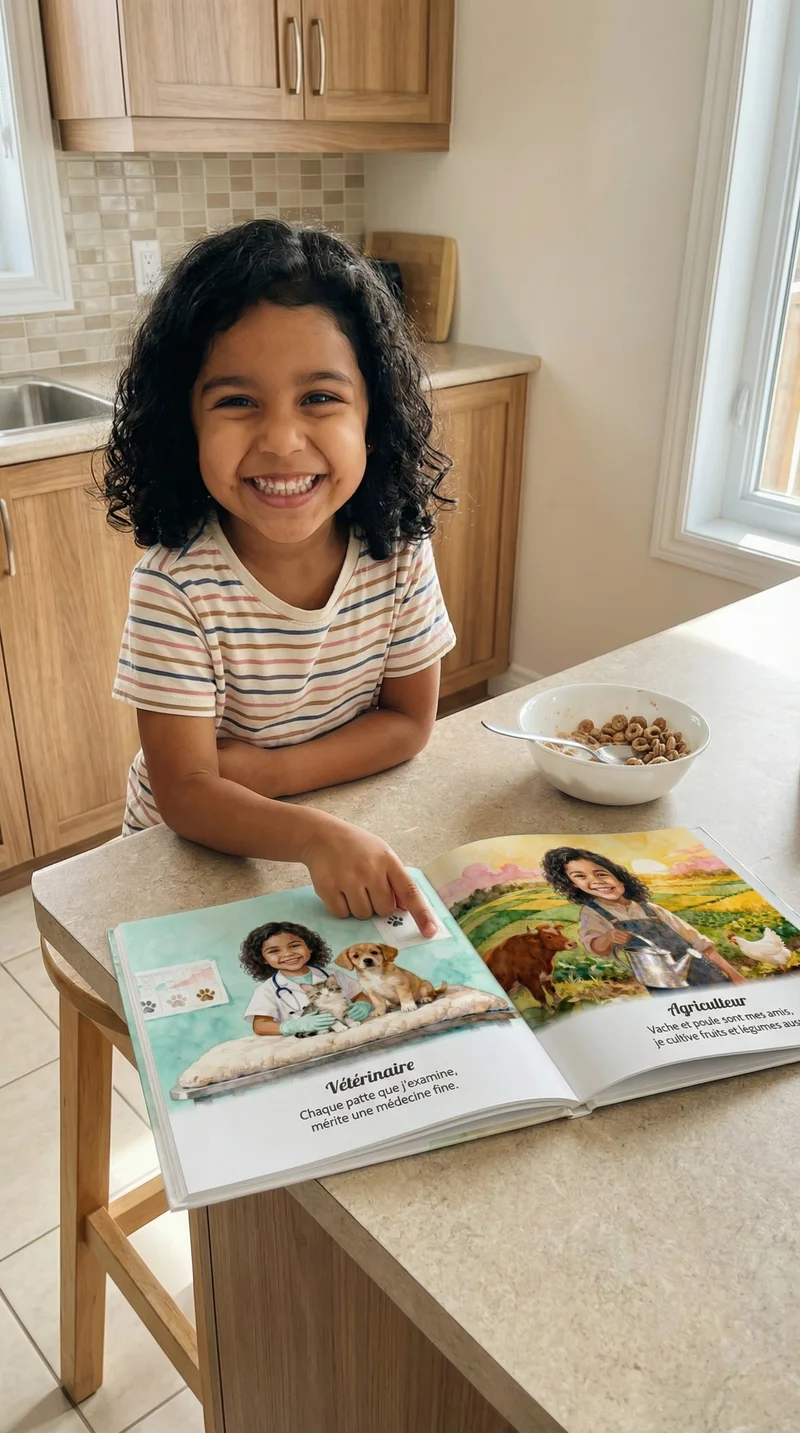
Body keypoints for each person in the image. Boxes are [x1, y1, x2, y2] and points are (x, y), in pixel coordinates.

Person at [105, 219, 456, 936]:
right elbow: (186, 791)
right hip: (177, 856)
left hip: (327, 820)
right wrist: (311, 835)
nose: (282, 440)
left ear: (373, 414)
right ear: (185, 424)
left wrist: (274, 775)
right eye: (237, 401)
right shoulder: (175, 586)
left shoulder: (397, 553)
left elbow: (410, 723)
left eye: (320, 398)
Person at [540, 848, 745, 989]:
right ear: (574, 886)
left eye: (601, 874)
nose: (595, 881)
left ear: (618, 877)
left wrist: (735, 975)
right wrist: (608, 937)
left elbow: (699, 942)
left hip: (706, 973)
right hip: (663, 981)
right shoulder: (592, 913)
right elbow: (594, 945)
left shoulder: (652, 910)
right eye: (580, 877)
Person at [239, 921, 371, 1037]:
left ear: (310, 947)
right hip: (309, 1041)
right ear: (263, 959)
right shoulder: (266, 990)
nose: (288, 954)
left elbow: (360, 996)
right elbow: (260, 1025)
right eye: (274, 951)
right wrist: (293, 1026)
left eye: (294, 946)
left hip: (348, 1032)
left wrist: (363, 1005)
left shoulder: (332, 974)